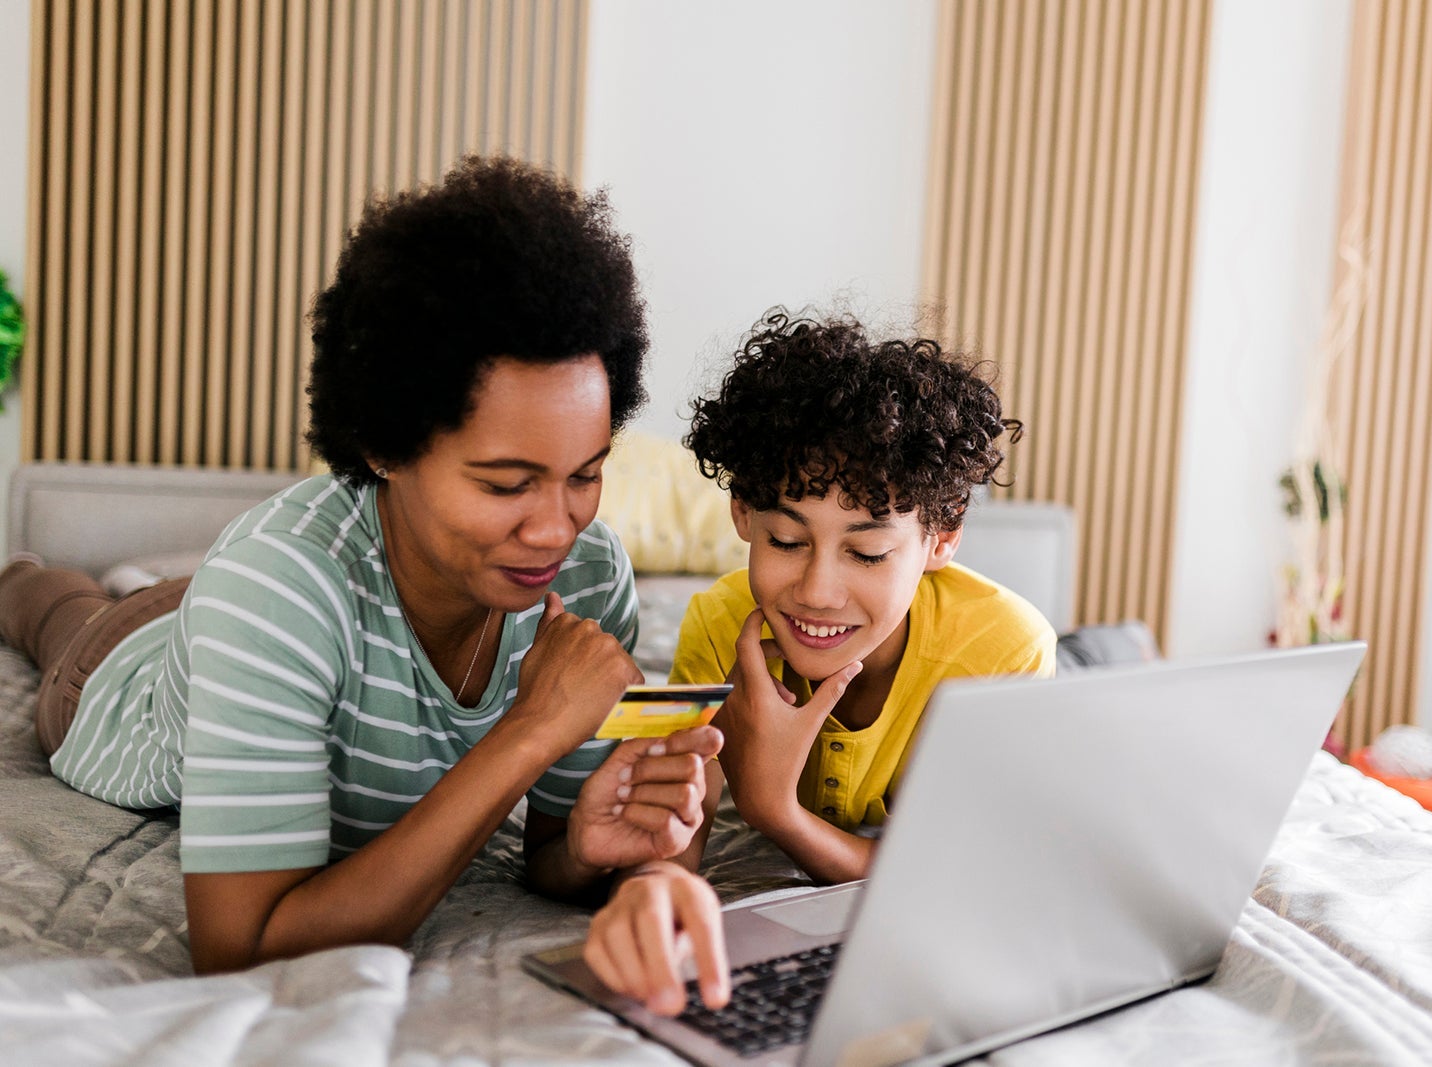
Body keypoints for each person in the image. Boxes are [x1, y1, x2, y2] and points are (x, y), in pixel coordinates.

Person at [0, 155, 729, 1009]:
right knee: (67, 615)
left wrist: (617, 848)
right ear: (384, 447)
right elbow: (243, 952)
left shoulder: (591, 573)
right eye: (504, 484)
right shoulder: (271, 591)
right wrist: (527, 731)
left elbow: (553, 851)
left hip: (268, 617)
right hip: (122, 670)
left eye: (585, 473)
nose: (554, 528)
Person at [581, 308, 1057, 1012]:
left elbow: (954, 882)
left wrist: (777, 810)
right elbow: (674, 823)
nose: (817, 592)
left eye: (867, 552)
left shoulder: (1005, 649)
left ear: (941, 538)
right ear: (742, 514)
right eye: (784, 540)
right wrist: (656, 887)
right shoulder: (719, 624)